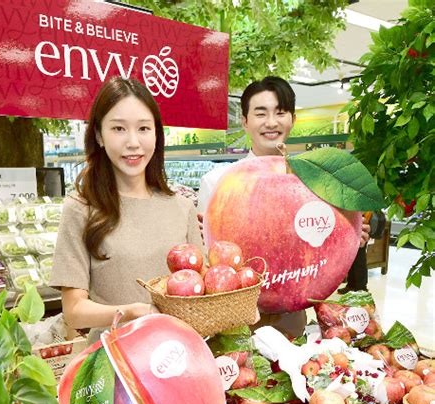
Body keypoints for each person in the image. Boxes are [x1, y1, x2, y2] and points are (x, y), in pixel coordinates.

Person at [198, 76, 371, 337]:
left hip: (292, 314)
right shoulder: (219, 183)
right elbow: (206, 258)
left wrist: (350, 235)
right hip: (235, 320)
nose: (271, 122)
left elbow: (317, 242)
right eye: (260, 113)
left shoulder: (316, 182)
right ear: (244, 121)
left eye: (280, 113)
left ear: (292, 119)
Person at [50, 78, 203, 343]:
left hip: (178, 357)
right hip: (112, 362)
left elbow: (201, 293)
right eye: (119, 128)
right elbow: (74, 311)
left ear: (156, 134)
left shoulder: (182, 207)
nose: (133, 142)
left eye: (144, 128)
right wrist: (130, 313)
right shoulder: (81, 208)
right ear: (99, 135)